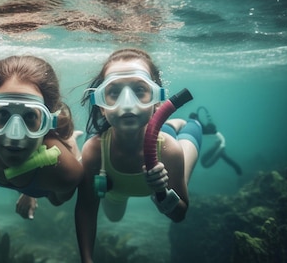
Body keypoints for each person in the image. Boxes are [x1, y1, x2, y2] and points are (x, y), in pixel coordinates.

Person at [74, 48, 204, 263]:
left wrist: (162, 190)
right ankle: (171, 124)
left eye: (140, 90)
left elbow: (179, 215)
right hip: (115, 186)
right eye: (114, 92)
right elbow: (86, 209)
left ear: (157, 101)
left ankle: (190, 124)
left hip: (162, 144)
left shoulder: (170, 150)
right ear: (102, 106)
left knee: (182, 143)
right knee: (114, 218)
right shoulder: (94, 151)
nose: (127, 103)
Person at [0, 55, 84, 220]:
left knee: (56, 201)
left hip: (47, 168)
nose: (14, 135)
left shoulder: (65, 173)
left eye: (29, 116)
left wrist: (30, 192)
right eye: (3, 114)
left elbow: (62, 196)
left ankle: (69, 140)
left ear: (47, 122)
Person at [189, 106, 242, 175]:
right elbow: (203, 127)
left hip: (220, 147)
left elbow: (203, 128)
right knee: (219, 158)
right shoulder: (210, 132)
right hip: (219, 146)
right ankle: (238, 169)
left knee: (206, 164)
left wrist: (196, 118)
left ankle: (238, 169)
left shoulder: (213, 133)